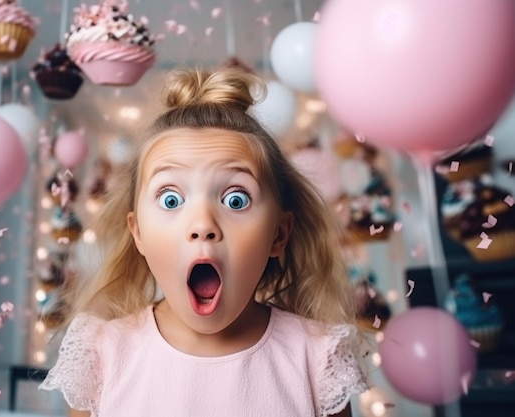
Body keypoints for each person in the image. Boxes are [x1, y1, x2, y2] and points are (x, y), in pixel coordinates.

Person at [39, 66, 369, 417]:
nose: (202, 225)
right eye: (171, 200)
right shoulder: (102, 354)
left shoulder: (317, 359)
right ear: (138, 233)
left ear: (278, 234)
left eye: (236, 200)